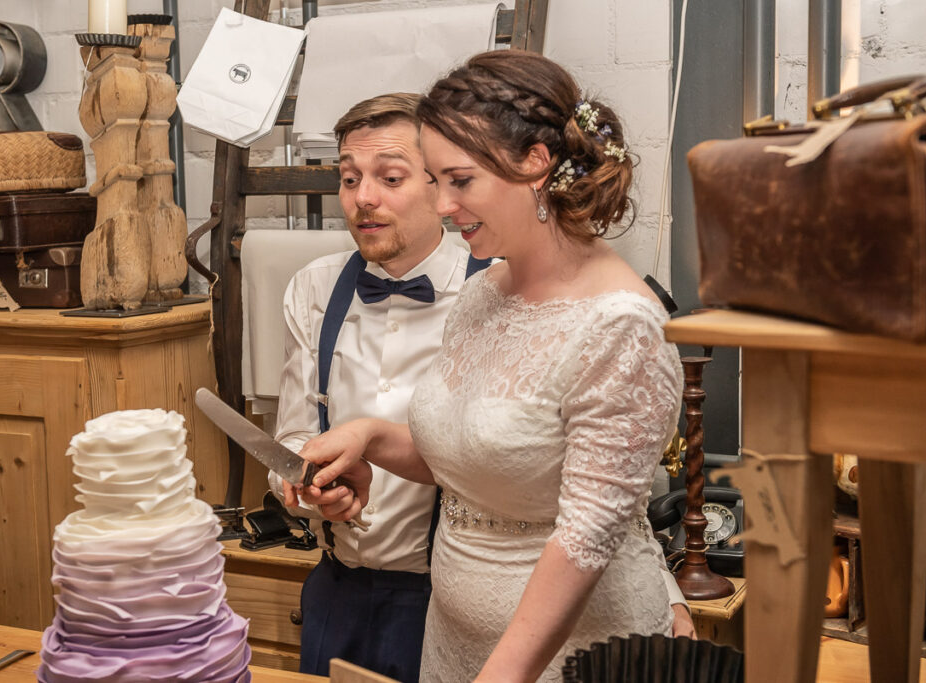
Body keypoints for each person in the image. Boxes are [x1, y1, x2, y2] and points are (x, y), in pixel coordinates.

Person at [289, 51, 688, 682]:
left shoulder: (620, 327)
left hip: (566, 654)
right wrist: (369, 437)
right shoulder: (486, 292)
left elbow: (585, 540)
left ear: (535, 164)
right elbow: (474, 457)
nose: (444, 205)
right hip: (452, 644)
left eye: (460, 180)